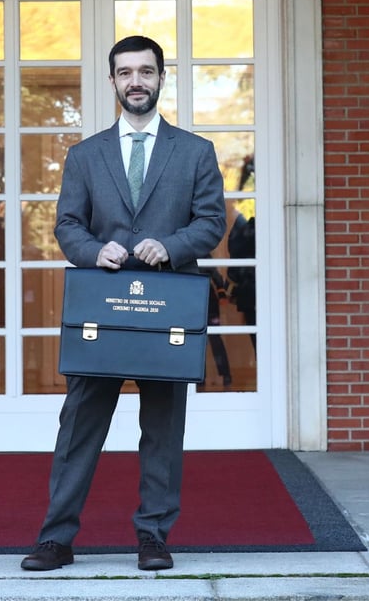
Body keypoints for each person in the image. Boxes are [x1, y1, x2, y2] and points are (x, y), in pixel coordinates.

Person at [21, 35, 226, 572]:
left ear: (162, 78)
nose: (137, 81)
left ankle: (153, 536)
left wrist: (173, 245)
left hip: (167, 313)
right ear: (112, 81)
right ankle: (55, 539)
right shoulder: (84, 156)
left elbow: (211, 222)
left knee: (163, 427)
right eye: (126, 72)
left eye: (147, 71)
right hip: (101, 307)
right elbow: (66, 224)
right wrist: (94, 249)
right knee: (80, 425)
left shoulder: (196, 152)